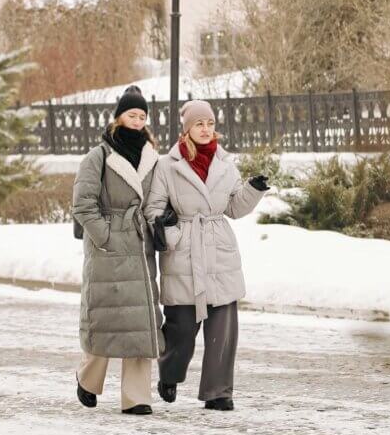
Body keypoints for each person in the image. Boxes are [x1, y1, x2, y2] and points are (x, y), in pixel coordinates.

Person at [144, 100, 268, 411]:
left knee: (223, 330)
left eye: (210, 124)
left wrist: (253, 190)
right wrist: (171, 232)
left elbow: (234, 208)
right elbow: (154, 208)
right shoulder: (167, 165)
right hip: (184, 253)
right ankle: (169, 373)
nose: (205, 129)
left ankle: (218, 391)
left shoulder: (226, 164)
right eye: (199, 124)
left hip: (218, 252)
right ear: (186, 128)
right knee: (181, 329)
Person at [72, 86, 164, 415]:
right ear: (118, 118)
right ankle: (88, 380)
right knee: (108, 318)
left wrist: (161, 224)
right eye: (131, 114)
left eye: (142, 116)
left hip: (140, 245)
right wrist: (106, 237)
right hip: (108, 248)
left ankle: (137, 397)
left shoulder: (153, 157)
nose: (137, 121)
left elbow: (158, 198)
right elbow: (82, 205)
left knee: (140, 322)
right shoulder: (98, 156)